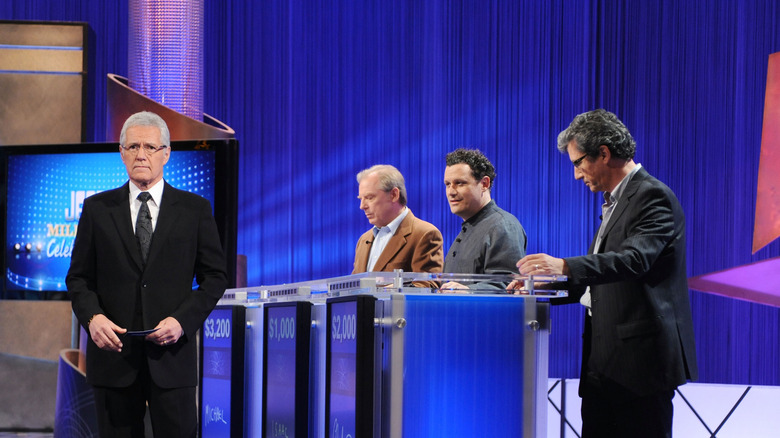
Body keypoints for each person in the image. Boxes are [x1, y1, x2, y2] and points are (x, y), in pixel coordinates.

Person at [515, 109, 697, 437]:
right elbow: (598, 283)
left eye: (577, 162)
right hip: (603, 367)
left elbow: (633, 260)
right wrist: (540, 288)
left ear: (603, 153)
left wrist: (565, 265)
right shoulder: (616, 200)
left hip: (638, 371)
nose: (575, 174)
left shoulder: (652, 196)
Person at [67, 111, 227, 437]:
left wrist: (182, 321)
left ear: (166, 153)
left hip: (172, 359)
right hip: (113, 361)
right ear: (122, 152)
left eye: (150, 147)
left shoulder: (195, 210)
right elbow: (78, 278)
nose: (141, 154)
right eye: (133, 146)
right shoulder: (97, 209)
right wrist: (93, 318)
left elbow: (215, 277)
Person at [441, 148, 526, 291]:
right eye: (447, 184)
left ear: (484, 184)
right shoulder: (470, 227)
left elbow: (508, 286)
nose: (451, 192)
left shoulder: (503, 226)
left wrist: (468, 291)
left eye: (460, 183)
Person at [352, 164, 443, 284]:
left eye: (369, 197)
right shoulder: (363, 240)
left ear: (394, 195)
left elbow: (427, 286)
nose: (362, 206)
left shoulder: (424, 234)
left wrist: (388, 291)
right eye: (360, 199)